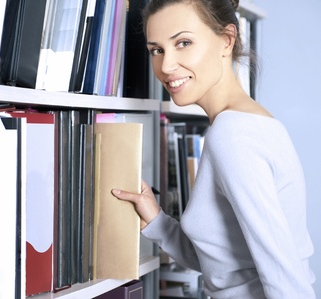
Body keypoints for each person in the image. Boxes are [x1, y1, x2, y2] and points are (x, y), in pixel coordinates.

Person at [111, 0, 316, 298]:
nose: (166, 66)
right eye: (156, 50)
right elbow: (228, 266)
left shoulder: (232, 134)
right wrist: (157, 221)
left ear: (226, 40)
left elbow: (285, 279)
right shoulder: (254, 121)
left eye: (183, 42)